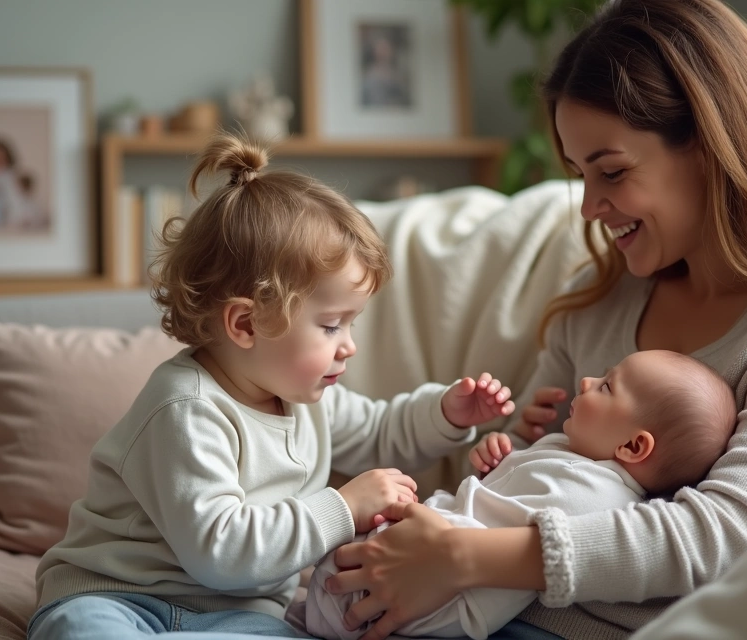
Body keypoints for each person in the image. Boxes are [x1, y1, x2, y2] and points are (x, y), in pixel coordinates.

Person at [319, 1, 747, 638]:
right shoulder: (600, 303)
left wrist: (462, 558)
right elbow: (501, 489)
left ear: (711, 145)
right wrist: (521, 443)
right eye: (579, 174)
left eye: (613, 172)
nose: (590, 207)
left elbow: (731, 537)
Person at [26, 132, 517, 639]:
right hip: (119, 596)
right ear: (245, 324)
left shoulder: (308, 401)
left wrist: (446, 413)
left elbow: (381, 429)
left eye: (351, 324)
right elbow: (222, 551)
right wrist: (343, 507)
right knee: (81, 630)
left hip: (242, 616)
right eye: (331, 325)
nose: (348, 345)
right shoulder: (185, 409)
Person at [302, 350, 737, 640]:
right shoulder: (576, 454)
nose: (586, 381)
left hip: (432, 594)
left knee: (330, 583)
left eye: (607, 386)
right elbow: (506, 502)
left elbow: (499, 559)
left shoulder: (596, 498)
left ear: (633, 447)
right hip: (430, 551)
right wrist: (498, 463)